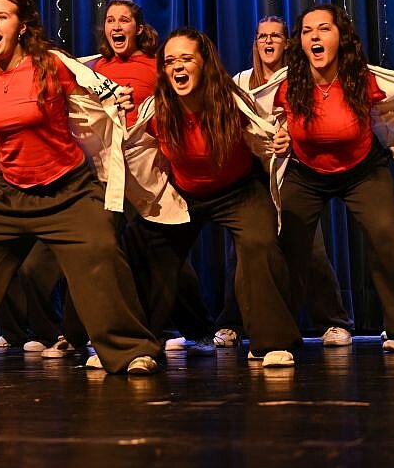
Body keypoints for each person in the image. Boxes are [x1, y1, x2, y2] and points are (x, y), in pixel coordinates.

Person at [0, 0, 162, 376]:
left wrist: (116, 101)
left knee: (100, 249)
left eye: (1, 17)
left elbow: (93, 96)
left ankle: (130, 351)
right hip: (10, 193)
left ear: (22, 27)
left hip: (67, 190)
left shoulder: (50, 65)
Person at [122, 27, 303, 368]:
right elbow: (131, 144)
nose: (177, 66)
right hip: (184, 194)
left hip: (238, 190)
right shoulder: (157, 109)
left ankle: (272, 343)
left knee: (261, 243)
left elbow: (262, 131)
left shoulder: (231, 101)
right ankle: (138, 346)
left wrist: (277, 142)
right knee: (143, 242)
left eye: (186, 59)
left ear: (204, 63)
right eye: (170, 61)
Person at [264, 4, 394, 360]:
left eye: (324, 28)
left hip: (362, 171)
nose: (314, 36)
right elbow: (264, 118)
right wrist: (278, 138)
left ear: (340, 37)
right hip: (306, 173)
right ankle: (278, 338)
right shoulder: (288, 83)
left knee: (386, 238)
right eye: (307, 30)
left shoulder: (362, 78)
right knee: (287, 244)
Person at [94, 1, 219, 357]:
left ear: (138, 28)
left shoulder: (154, 66)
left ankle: (197, 329)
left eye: (124, 20)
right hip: (109, 171)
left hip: (148, 172)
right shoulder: (96, 69)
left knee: (165, 253)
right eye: (110, 20)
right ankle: (93, 332)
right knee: (102, 248)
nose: (116, 26)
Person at [230, 16, 351, 348]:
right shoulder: (241, 81)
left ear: (287, 43)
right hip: (253, 174)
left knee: (310, 247)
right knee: (245, 251)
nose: (268, 42)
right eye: (262, 36)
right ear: (255, 43)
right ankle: (235, 323)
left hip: (293, 170)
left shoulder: (300, 78)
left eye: (275, 36)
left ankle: (332, 321)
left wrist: (291, 142)